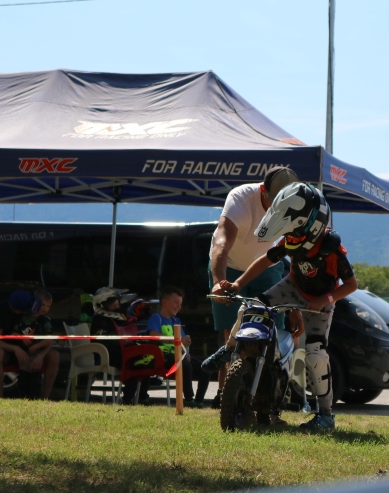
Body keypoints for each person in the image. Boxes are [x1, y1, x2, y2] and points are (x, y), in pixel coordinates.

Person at [215, 182, 358, 431]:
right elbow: (265, 260)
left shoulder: (331, 247)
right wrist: (238, 284)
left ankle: (326, 416)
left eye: (295, 229)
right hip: (292, 285)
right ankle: (228, 349)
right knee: (251, 308)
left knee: (315, 355)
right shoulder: (293, 238)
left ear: (311, 224)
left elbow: (351, 285)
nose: (291, 236)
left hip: (320, 299)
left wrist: (324, 300)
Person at [203, 166, 299, 408]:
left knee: (272, 334)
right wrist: (218, 282)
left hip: (267, 268)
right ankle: (225, 396)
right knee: (231, 335)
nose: (279, 207)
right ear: (263, 190)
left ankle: (270, 399)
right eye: (274, 201)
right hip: (230, 266)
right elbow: (221, 243)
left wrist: (294, 305)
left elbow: (296, 254)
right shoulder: (241, 199)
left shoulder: (295, 205)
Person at [0, 289, 59, 399]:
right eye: (29, 308)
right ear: (19, 311)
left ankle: (44, 398)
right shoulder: (1, 310)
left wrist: (41, 355)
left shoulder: (42, 318)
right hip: (9, 351)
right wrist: (15, 348)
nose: (34, 308)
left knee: (54, 355)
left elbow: (50, 339)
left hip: (33, 352)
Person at [148, 285, 202, 407]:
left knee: (205, 367)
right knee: (185, 365)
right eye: (176, 302)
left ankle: (199, 401)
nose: (179, 306)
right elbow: (153, 335)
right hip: (164, 357)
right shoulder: (156, 318)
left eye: (180, 303)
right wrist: (177, 341)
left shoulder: (176, 321)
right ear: (164, 302)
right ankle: (189, 399)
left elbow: (181, 341)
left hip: (179, 356)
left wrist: (186, 350)